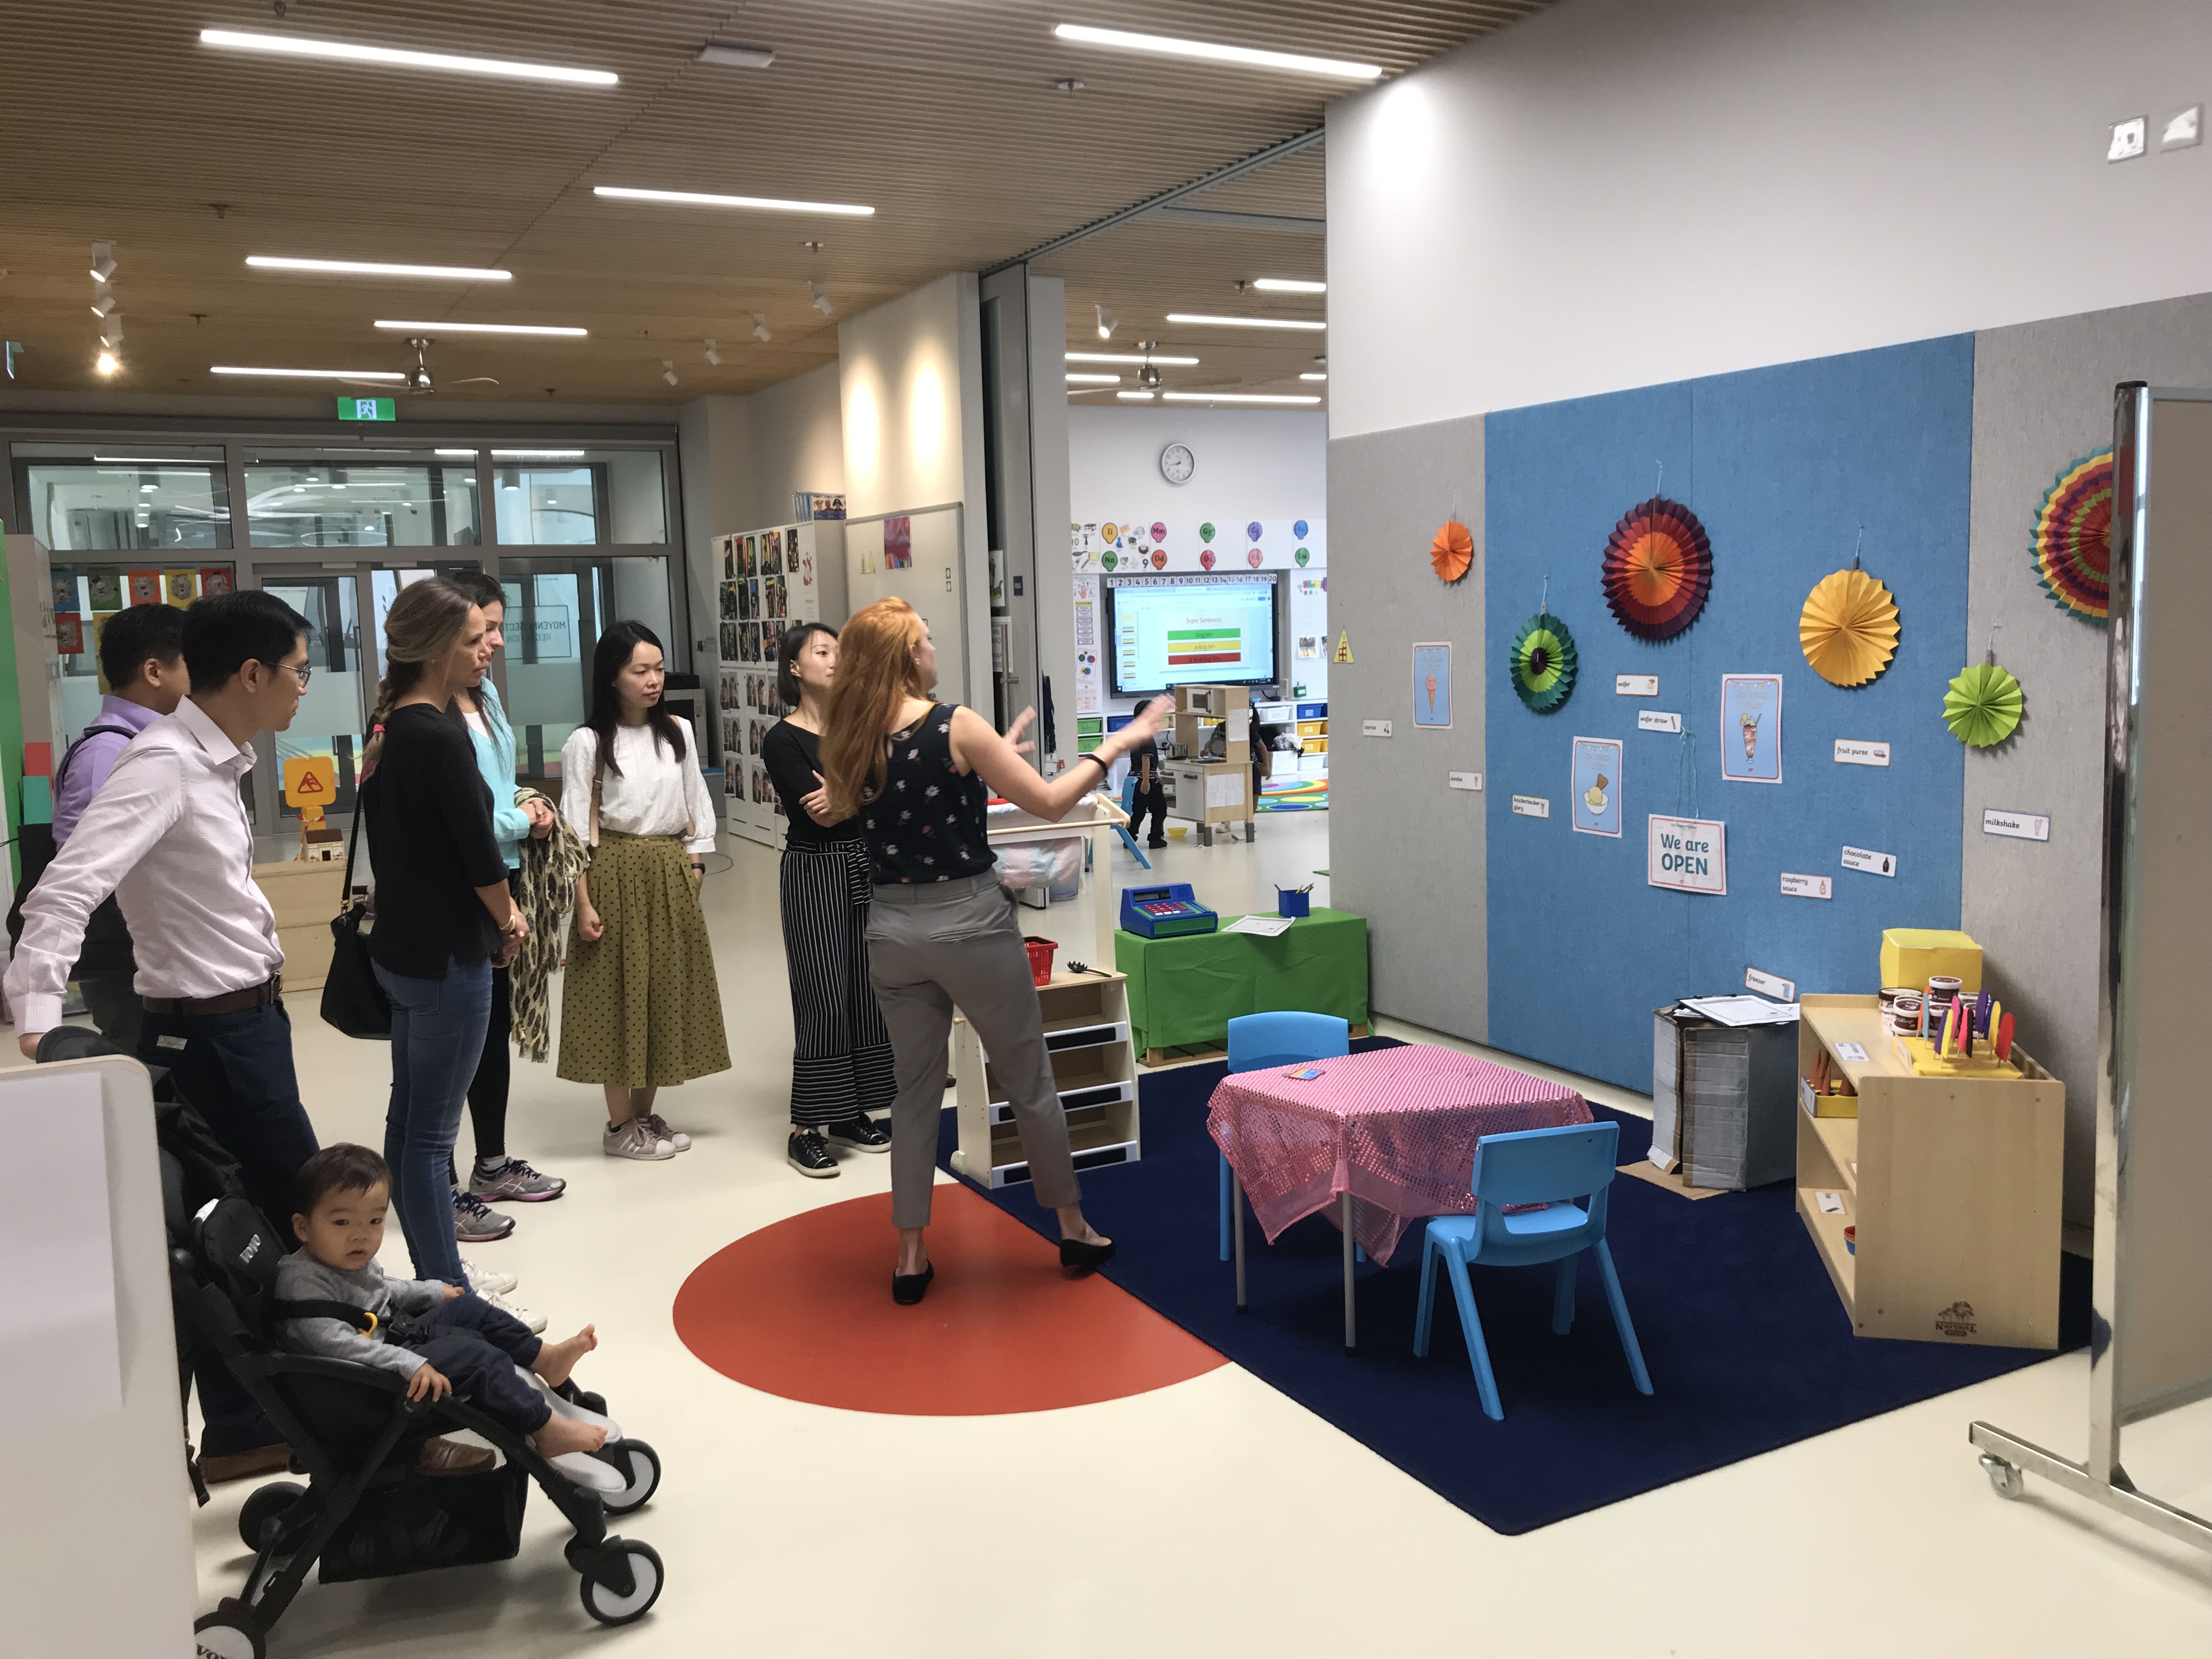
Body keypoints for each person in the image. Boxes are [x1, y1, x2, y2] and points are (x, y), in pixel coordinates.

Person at [6, 588, 316, 1481]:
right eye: (297, 671)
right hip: (210, 1038)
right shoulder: (161, 765)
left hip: (247, 1022)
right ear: (251, 674)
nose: (305, 687)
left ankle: (248, 1424)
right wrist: (38, 1016)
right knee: (276, 1223)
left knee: (244, 1226)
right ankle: (292, 1416)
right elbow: (66, 886)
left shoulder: (216, 761)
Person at [819, 597, 1169, 1304]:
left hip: (891, 932)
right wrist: (1119, 744)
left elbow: (901, 805)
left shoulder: (850, 737)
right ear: (906, 656)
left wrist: (991, 755)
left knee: (915, 1094)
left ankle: (911, 1255)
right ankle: (1073, 1227)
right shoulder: (955, 724)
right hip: (971, 925)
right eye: (925, 640)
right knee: (1027, 1077)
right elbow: (1051, 803)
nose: (933, 649)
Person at [358, 579, 529, 1290]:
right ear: (434, 651)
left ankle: (435, 1275)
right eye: (470, 638)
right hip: (447, 957)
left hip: (404, 950)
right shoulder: (437, 734)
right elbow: (478, 852)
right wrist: (509, 917)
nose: (486, 648)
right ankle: (447, 1285)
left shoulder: (390, 729)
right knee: (431, 1141)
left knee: (409, 1125)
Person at [276, 1145, 607, 1472]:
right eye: (342, 1222)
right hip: (370, 1382)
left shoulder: (339, 1257)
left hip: (391, 1340)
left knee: (469, 1308)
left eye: (375, 1221)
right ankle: (546, 1430)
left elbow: (381, 1289)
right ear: (303, 1227)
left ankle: (544, 1358)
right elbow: (334, 1345)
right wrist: (408, 1362)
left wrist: (431, 1292)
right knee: (476, 1358)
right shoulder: (304, 1283)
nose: (361, 1236)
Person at [557, 622, 729, 1159]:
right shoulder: (588, 742)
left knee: (663, 990)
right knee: (616, 994)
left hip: (669, 868)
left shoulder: (677, 730)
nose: (654, 681)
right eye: (640, 671)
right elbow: (572, 829)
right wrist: (583, 902)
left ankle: (644, 1115)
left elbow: (696, 799)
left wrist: (694, 866)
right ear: (613, 677)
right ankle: (618, 1127)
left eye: (659, 669)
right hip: (613, 868)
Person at [443, 571, 565, 1232]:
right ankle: (441, 1187)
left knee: (491, 1032)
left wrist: (524, 802)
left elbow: (493, 785)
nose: (494, 643)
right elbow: (462, 818)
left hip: (503, 876)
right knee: (450, 1041)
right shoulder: (426, 713)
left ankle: (491, 1164)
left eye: (497, 628)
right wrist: (523, 820)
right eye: (482, 630)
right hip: (462, 889)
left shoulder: (484, 694)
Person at [760, 622, 894, 1177]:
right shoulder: (781, 739)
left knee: (865, 989)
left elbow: (880, 793)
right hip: (813, 869)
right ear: (795, 668)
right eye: (822, 651)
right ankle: (806, 1128)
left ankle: (849, 1111)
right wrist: (858, 794)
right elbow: (818, 812)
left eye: (839, 651)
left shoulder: (858, 728)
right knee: (822, 993)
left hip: (864, 865)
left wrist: (849, 795)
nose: (836, 659)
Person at [47, 602, 190, 1049]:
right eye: (193, 664)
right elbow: (85, 870)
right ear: (154, 671)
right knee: (144, 1069)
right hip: (124, 958)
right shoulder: (107, 753)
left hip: (148, 953)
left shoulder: (154, 743)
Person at [1127, 717, 1167, 849]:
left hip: (1135, 779)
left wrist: (1155, 776)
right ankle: (1155, 839)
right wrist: (1146, 780)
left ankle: (1129, 837)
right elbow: (1146, 760)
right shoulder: (1148, 738)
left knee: (1138, 811)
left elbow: (1138, 762)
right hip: (1146, 781)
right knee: (1160, 810)